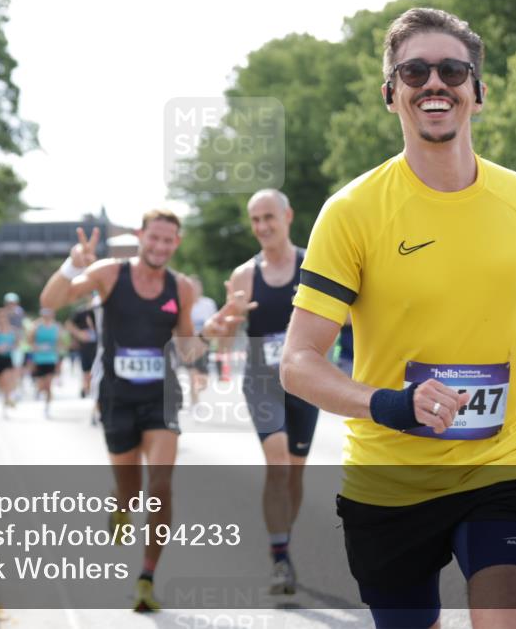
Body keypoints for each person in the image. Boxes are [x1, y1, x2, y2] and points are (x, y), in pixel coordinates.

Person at [279, 8, 516, 629]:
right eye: (414, 71)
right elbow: (298, 362)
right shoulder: (351, 213)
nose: (434, 82)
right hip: (388, 486)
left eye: (453, 70)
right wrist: (393, 404)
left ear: (477, 93)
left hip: (500, 472)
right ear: (390, 94)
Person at [40, 211, 243, 612]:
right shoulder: (109, 273)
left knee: (161, 486)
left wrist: (210, 333)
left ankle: (147, 578)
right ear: (140, 236)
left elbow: (186, 350)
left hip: (160, 397)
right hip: (116, 396)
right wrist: (71, 265)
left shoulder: (180, 288)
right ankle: (120, 501)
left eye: (169, 241)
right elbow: (51, 301)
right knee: (131, 493)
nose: (160, 247)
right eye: (154, 239)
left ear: (176, 244)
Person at [221, 189, 319, 595]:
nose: (262, 226)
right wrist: (228, 320)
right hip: (262, 378)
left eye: (268, 217)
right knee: (277, 462)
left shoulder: (314, 263)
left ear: (288, 215)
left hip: (306, 378)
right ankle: (279, 556)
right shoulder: (245, 275)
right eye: (255, 219)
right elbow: (224, 338)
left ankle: (284, 539)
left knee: (295, 471)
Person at [186, 276, 217, 409]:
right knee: (192, 373)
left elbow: (215, 323)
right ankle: (194, 402)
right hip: (188, 345)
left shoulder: (208, 304)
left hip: (205, 345)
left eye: (196, 287)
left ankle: (196, 393)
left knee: (203, 381)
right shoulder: (184, 304)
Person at [29, 308, 60, 417]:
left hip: (51, 359)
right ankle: (39, 392)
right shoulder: (36, 326)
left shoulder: (56, 327)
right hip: (39, 359)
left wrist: (57, 353)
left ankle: (47, 407)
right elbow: (29, 341)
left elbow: (60, 343)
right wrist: (36, 347)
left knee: (48, 385)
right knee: (41, 385)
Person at [65, 301, 98, 400]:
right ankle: (86, 387)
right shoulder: (81, 311)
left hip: (101, 346)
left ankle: (90, 388)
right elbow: (69, 324)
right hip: (86, 347)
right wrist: (79, 334)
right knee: (87, 370)